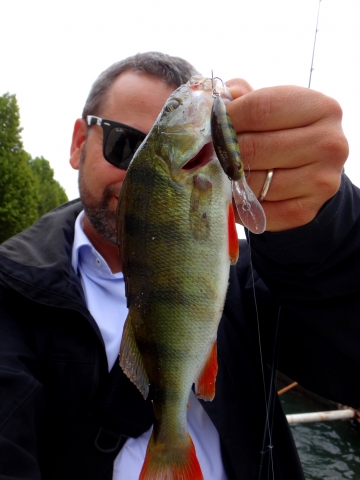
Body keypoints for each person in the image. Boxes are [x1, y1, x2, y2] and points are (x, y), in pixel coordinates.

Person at [0, 51, 357, 480]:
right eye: (124, 143)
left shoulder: (247, 287)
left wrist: (322, 229)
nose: (137, 172)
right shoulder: (10, 295)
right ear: (79, 143)